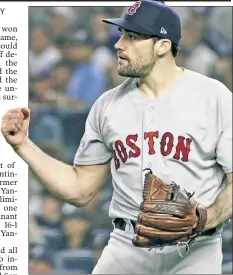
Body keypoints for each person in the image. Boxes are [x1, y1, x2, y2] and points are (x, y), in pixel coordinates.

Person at [1, 1, 232, 274]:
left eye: (132, 37)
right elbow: (79, 190)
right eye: (122, 34)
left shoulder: (213, 97)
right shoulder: (107, 105)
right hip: (126, 246)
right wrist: (23, 146)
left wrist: (207, 217)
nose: (118, 44)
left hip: (196, 250)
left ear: (162, 45)